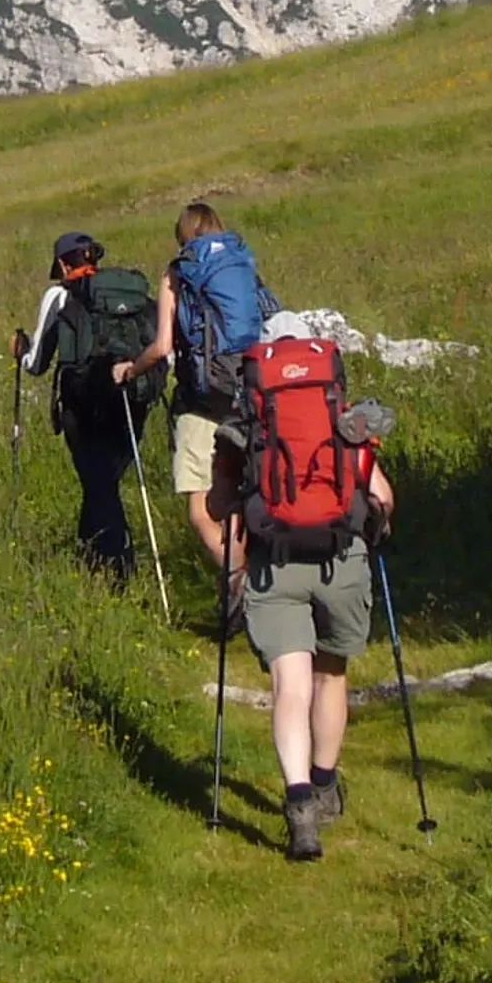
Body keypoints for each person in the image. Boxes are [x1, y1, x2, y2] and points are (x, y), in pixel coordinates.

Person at [207, 327, 396, 862]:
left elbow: (219, 507)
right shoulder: (348, 423)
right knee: (330, 675)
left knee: (290, 684)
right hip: (341, 559)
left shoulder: (241, 430)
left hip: (275, 564)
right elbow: (382, 497)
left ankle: (297, 802)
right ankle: (325, 782)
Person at [14, 231, 159, 580]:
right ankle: (91, 556)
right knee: (102, 481)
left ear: (64, 263)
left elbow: (36, 364)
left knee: (99, 485)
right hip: (132, 397)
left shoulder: (60, 295)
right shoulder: (129, 295)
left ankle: (120, 568)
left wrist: (21, 351)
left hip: (84, 405)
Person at [132, 199, 265, 576]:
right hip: (251, 392)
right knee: (238, 498)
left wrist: (129, 370)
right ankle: (255, 587)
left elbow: (161, 347)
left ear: (183, 235)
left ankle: (241, 591)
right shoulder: (241, 262)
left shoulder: (178, 272)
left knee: (202, 512)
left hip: (201, 401)